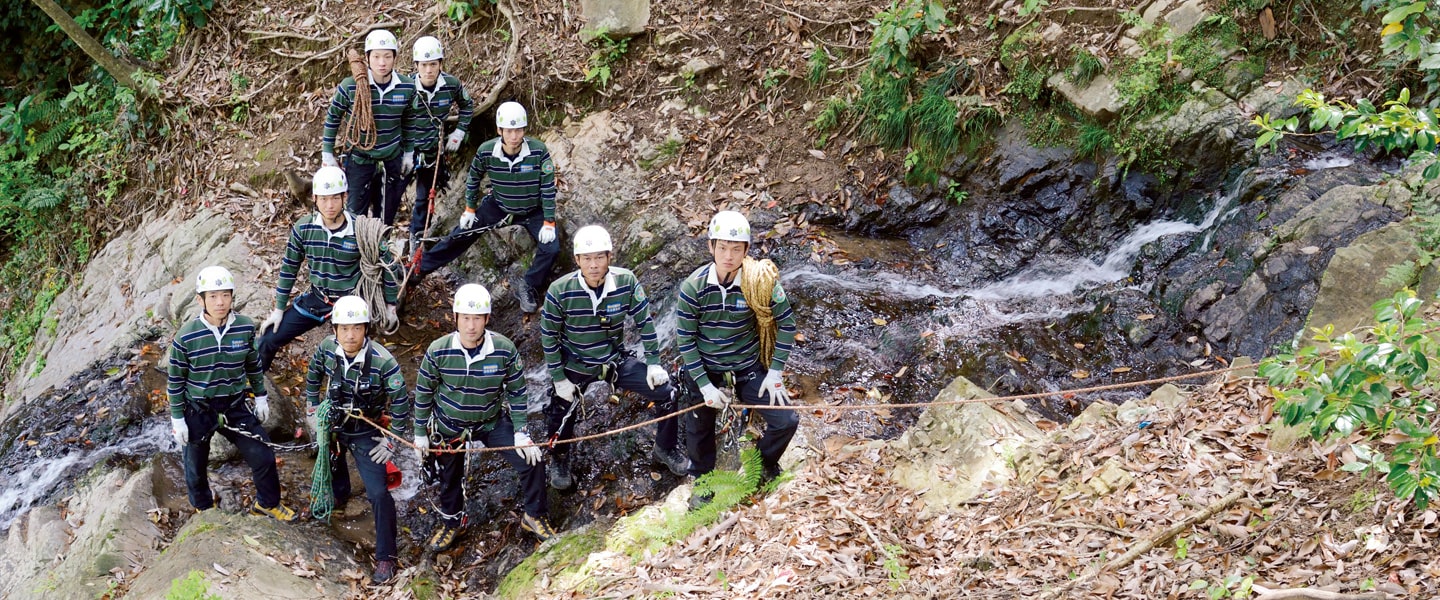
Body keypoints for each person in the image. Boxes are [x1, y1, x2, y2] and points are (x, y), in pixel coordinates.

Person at [538, 225, 687, 490]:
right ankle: (560, 457)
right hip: (576, 363)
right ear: (577, 260)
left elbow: (644, 322)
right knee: (559, 412)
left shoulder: (626, 282)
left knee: (667, 391)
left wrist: (653, 362)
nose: (593, 265)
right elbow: (549, 338)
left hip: (614, 360)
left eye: (599, 257)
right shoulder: (560, 291)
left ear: (609, 257)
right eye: (587, 258)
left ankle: (665, 448)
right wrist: (559, 379)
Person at [412, 284, 555, 550]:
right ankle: (451, 523)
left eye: (477, 318)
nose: (471, 325)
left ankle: (534, 515)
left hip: (490, 422)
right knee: (448, 476)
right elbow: (423, 393)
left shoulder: (503, 349)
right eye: (465, 318)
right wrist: (420, 432)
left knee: (532, 461)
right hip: (449, 424)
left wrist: (522, 432)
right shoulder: (438, 350)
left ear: (487, 319)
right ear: (455, 318)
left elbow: (517, 391)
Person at [675, 211, 799, 508]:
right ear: (711, 248)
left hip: (746, 367)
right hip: (705, 368)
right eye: (722, 248)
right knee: (698, 428)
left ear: (746, 251)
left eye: (735, 249)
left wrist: (776, 372)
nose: (728, 256)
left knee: (786, 420)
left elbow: (788, 324)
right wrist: (704, 385)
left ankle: (763, 462)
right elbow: (686, 341)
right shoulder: (693, 287)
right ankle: (703, 483)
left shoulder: (759, 282)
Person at [168, 265, 297, 521]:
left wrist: (261, 397)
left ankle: (267, 503)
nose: (220, 302)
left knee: (263, 454)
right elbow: (175, 380)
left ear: (232, 296)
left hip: (234, 404)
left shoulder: (245, 327)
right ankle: (203, 507)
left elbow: (253, 364)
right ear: (200, 300)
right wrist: (177, 418)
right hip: (198, 407)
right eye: (213, 296)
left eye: (225, 295)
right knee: (195, 465)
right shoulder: (186, 337)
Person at [302, 296, 408, 583]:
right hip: (333, 424)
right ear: (334, 329)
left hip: (365, 430)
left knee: (377, 493)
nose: (350, 335)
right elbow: (313, 375)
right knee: (330, 459)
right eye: (344, 328)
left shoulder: (383, 362)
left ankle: (386, 556)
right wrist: (313, 408)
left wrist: (390, 441)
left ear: (366, 330)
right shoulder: (326, 350)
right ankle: (338, 495)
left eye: (357, 328)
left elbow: (401, 403)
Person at [415, 102, 558, 313]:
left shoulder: (538, 151)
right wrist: (470, 209)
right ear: (500, 130)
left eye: (518, 130)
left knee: (552, 248)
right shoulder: (486, 151)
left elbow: (547, 187)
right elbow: (473, 178)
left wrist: (549, 221)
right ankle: (420, 268)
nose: (514, 136)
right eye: (509, 130)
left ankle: (528, 285)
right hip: (498, 206)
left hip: (532, 209)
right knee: (462, 233)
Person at [257, 166, 399, 372]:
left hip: (351, 299)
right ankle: (254, 390)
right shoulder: (304, 229)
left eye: (335, 198)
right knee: (268, 338)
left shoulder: (362, 230)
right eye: (323, 199)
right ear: (315, 198)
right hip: (318, 298)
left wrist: (390, 306)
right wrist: (279, 309)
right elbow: (289, 268)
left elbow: (389, 267)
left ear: (345, 197)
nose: (329, 205)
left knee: (350, 354)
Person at [321, 29, 418, 226]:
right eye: (376, 56)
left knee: (387, 212)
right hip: (359, 158)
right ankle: (355, 250)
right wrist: (327, 154)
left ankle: (380, 250)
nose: (382, 62)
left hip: (392, 158)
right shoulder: (350, 87)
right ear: (367, 58)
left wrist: (409, 153)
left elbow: (409, 120)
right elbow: (333, 118)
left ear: (395, 58)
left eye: (387, 56)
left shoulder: (407, 87)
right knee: (355, 212)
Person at [403, 35, 474, 252]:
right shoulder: (406, 87)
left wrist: (459, 132)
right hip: (406, 150)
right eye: (424, 65)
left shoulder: (450, 85)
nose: (429, 70)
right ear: (416, 66)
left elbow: (466, 105)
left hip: (432, 152)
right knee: (392, 192)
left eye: (433, 64)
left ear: (440, 64)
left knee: (425, 197)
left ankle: (416, 237)